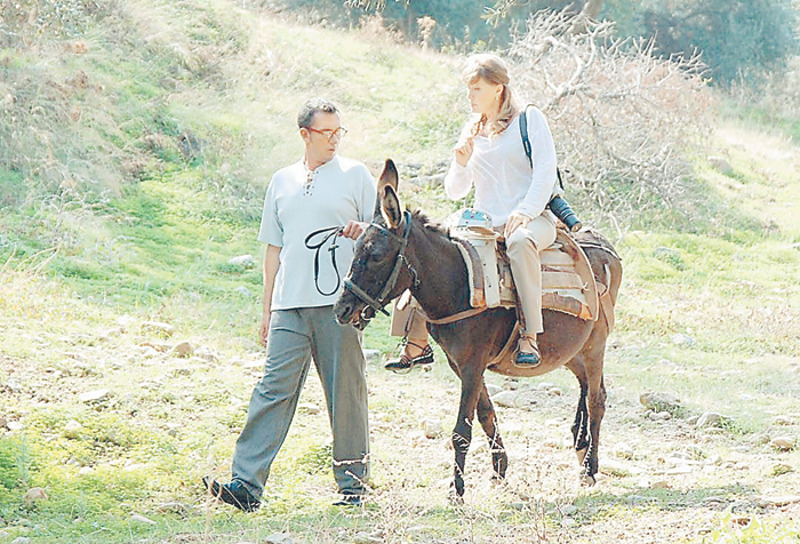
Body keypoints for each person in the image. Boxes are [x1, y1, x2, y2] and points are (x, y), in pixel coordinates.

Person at [203, 99, 376, 511]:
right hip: (288, 305)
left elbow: (384, 234)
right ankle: (245, 485)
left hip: (339, 304)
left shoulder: (356, 175)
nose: (334, 139)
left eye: (338, 131)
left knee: (346, 393)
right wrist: (267, 309)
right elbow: (273, 248)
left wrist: (364, 230)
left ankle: (353, 487)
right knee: (272, 389)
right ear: (304, 134)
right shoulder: (281, 180)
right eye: (325, 132)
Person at [387, 53, 557, 370]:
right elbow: (455, 190)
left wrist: (525, 212)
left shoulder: (529, 119)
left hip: (534, 218)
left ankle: (529, 336)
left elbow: (545, 173)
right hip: (483, 224)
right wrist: (461, 163)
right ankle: (416, 341)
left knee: (520, 242)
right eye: (469, 88)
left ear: (498, 88)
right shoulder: (473, 129)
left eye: (476, 88)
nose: (470, 95)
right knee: (427, 245)